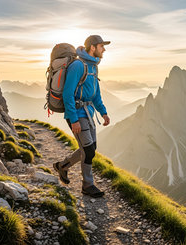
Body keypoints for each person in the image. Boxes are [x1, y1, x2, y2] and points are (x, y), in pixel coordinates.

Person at [54, 35, 111, 198]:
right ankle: (88, 185)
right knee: (89, 150)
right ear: (92, 47)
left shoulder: (93, 67)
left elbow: (96, 94)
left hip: (88, 113)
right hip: (77, 114)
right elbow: (67, 94)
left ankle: (62, 166)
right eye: (101, 46)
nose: (104, 49)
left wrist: (103, 112)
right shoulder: (78, 65)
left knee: (89, 149)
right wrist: (74, 120)